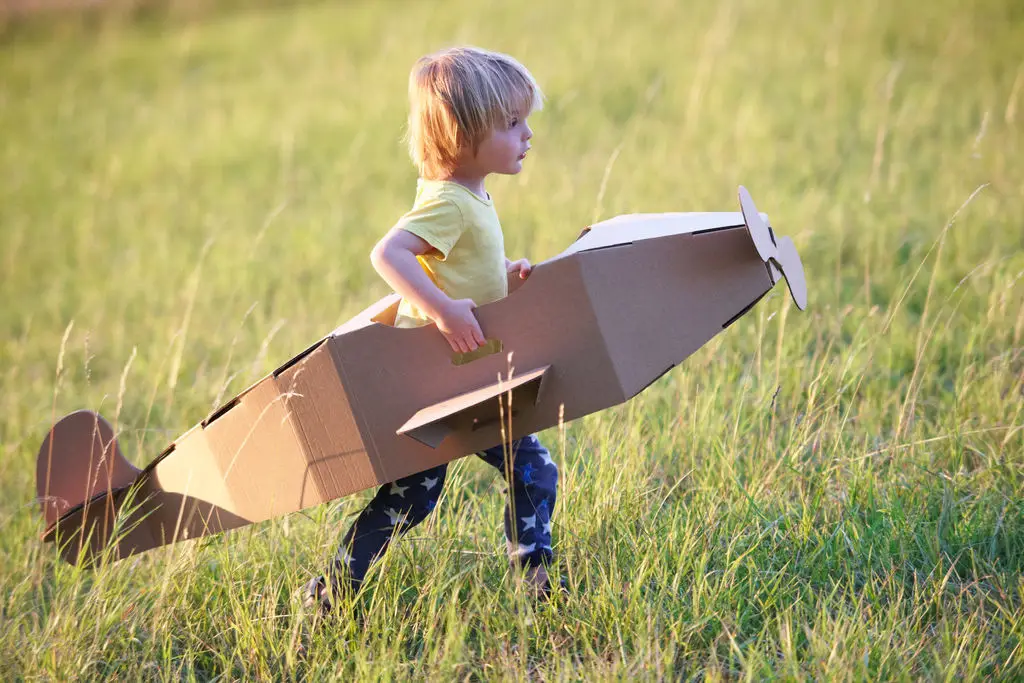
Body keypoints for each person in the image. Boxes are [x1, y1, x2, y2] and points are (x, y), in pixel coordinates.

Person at [304, 46, 560, 612]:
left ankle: (537, 586)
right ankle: (329, 593)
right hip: (438, 378)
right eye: (512, 123)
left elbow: (452, 262)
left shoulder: (469, 194)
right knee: (430, 493)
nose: (527, 134)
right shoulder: (450, 200)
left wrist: (502, 273)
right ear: (464, 135)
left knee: (508, 474)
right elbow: (388, 254)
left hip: (463, 376)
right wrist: (444, 310)